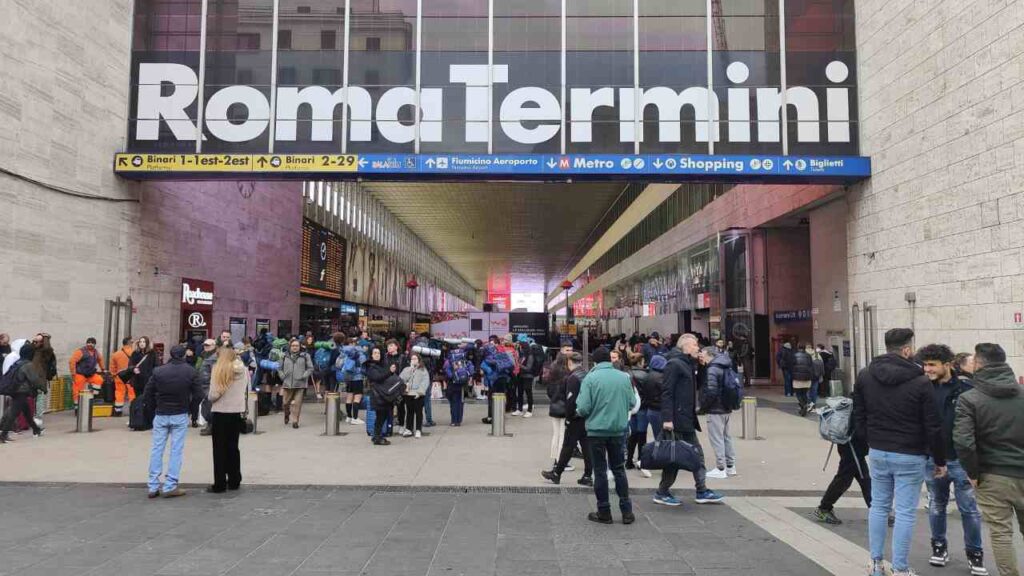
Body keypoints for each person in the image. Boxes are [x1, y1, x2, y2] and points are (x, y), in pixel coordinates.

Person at [853, 328, 946, 576]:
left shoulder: (865, 375)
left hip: (878, 451)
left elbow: (858, 416)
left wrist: (869, 441)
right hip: (910, 454)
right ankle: (901, 568)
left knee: (879, 507)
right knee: (905, 512)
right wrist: (939, 459)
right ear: (906, 350)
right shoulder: (921, 382)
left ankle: (875, 564)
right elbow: (933, 425)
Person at [916, 343, 988, 574]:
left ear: (946, 365)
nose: (927, 369)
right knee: (937, 506)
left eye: (932, 365)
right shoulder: (922, 389)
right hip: (932, 459)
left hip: (961, 460)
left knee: (969, 509)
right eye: (925, 365)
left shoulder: (967, 388)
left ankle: (975, 554)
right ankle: (939, 548)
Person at [954, 343, 1024, 576]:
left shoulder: (969, 399)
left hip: (992, 475)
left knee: (1001, 532)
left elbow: (964, 442)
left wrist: (972, 473)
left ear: (979, 364)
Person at [656, 333, 723, 507]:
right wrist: (667, 418)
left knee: (694, 456)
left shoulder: (687, 363)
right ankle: (663, 492)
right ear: (685, 346)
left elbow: (699, 384)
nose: (698, 348)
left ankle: (701, 490)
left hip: (686, 419)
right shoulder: (674, 364)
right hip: (677, 420)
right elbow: (667, 392)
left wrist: (702, 367)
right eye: (694, 345)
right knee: (675, 458)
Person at [574, 347, 636, 524]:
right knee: (619, 469)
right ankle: (627, 511)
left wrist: (580, 411)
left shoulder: (590, 378)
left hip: (596, 431)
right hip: (618, 430)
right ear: (610, 359)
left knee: (600, 471)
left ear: (595, 361)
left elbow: (584, 407)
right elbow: (632, 402)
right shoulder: (623, 378)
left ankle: (604, 511)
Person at [143, 345, 203, 499]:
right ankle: (170, 484)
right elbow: (198, 394)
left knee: (157, 449)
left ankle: (153, 485)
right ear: (184, 355)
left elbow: (148, 392)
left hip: (162, 412)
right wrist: (191, 409)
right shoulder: (190, 371)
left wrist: (153, 408)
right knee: (176, 449)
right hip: (180, 412)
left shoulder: (159, 371)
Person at [207, 343, 247, 493]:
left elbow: (213, 395)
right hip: (236, 411)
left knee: (219, 449)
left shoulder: (219, 369)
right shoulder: (243, 370)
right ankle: (235, 480)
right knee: (233, 447)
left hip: (220, 412)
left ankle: (220, 483)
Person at [699, 346, 737, 479]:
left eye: (702, 353)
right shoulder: (725, 365)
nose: (700, 355)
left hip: (715, 409)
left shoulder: (712, 369)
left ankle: (720, 468)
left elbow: (711, 391)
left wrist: (703, 407)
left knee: (716, 438)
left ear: (710, 354)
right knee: (726, 437)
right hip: (726, 407)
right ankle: (730, 466)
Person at [0, 342, 46, 443]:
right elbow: (34, 379)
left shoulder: (18, 362)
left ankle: (36, 430)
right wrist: (43, 388)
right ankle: (3, 435)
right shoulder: (28, 365)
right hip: (21, 391)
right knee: (13, 413)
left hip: (14, 390)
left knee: (27, 413)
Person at [366, 347, 403, 445]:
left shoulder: (381, 365)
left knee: (382, 416)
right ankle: (377, 437)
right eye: (375, 353)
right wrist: (389, 372)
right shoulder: (371, 366)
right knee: (381, 417)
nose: (377, 354)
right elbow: (377, 378)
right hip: (378, 395)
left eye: (378, 353)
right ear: (371, 355)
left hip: (384, 395)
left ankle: (376, 436)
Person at [278, 338, 313, 429]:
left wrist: (304, 375)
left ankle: (295, 421)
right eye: (293, 346)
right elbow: (279, 368)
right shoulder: (284, 356)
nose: (295, 347)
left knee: (297, 403)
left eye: (297, 346)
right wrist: (282, 375)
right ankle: (287, 413)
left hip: (300, 384)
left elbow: (310, 368)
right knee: (285, 403)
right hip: (287, 383)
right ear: (290, 346)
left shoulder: (305, 356)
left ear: (300, 347)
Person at [69, 337, 105, 410]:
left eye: (92, 343)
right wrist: (73, 373)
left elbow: (100, 360)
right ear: (86, 343)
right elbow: (72, 361)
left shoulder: (96, 353)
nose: (90, 344)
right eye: (88, 343)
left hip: (90, 374)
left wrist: (103, 369)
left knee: (99, 380)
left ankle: (93, 397)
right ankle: (77, 407)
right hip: (80, 374)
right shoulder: (80, 351)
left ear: (95, 345)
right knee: (77, 390)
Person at [399, 353, 429, 438]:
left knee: (418, 412)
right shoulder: (407, 369)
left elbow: (425, 382)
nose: (413, 360)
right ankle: (409, 428)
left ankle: (418, 429)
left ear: (419, 360)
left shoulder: (423, 370)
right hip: (408, 393)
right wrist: (410, 371)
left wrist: (420, 392)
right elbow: (401, 379)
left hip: (418, 394)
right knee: (409, 411)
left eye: (415, 359)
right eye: (412, 359)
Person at [340, 338, 367, 425]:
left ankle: (349, 417)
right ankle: (355, 418)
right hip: (358, 378)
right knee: (357, 397)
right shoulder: (359, 353)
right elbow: (364, 364)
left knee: (349, 397)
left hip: (348, 377)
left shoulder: (344, 353)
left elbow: (340, 364)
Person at [109, 337, 135, 417]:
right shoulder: (134, 353)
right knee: (132, 393)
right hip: (131, 376)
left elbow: (112, 367)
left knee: (119, 393)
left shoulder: (116, 354)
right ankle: (133, 410)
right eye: (132, 342)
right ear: (129, 343)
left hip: (119, 376)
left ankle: (118, 410)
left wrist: (113, 375)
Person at [791, 343, 815, 416]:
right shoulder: (809, 356)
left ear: (798, 347)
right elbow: (811, 367)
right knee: (804, 393)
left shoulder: (794, 356)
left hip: (797, 378)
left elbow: (791, 366)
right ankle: (803, 407)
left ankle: (803, 406)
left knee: (798, 394)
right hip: (807, 378)